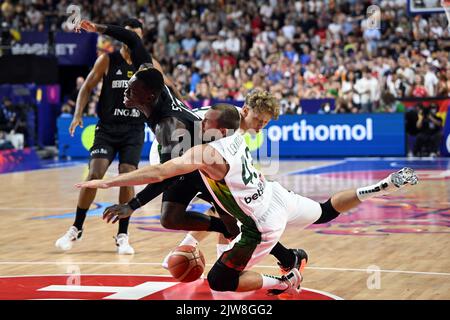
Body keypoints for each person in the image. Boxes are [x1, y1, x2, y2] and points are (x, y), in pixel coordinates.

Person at [76, 104, 419, 295]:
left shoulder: (207, 154)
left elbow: (159, 173)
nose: (201, 120)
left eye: (205, 120)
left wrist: (110, 182)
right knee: (326, 211)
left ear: (216, 127)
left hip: (262, 226)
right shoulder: (240, 134)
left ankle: (287, 280)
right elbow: (242, 114)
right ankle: (381, 186)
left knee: (220, 281)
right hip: (275, 196)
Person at [77, 20, 306, 272]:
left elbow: (165, 175)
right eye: (259, 121)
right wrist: (98, 28)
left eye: (132, 89)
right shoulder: (148, 80)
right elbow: (133, 40)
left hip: (197, 165)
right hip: (179, 156)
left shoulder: (170, 125)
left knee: (237, 217)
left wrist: (132, 205)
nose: (126, 91)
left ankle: (280, 257)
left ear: (150, 96)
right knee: (175, 218)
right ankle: (237, 238)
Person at [55, 19, 151, 254]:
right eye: (129, 36)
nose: (132, 41)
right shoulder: (107, 60)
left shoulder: (146, 65)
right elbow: (87, 87)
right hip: (108, 128)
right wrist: (78, 114)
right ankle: (76, 228)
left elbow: (166, 87)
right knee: (95, 173)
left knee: (127, 176)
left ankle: (123, 234)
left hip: (133, 129)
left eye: (136, 37)